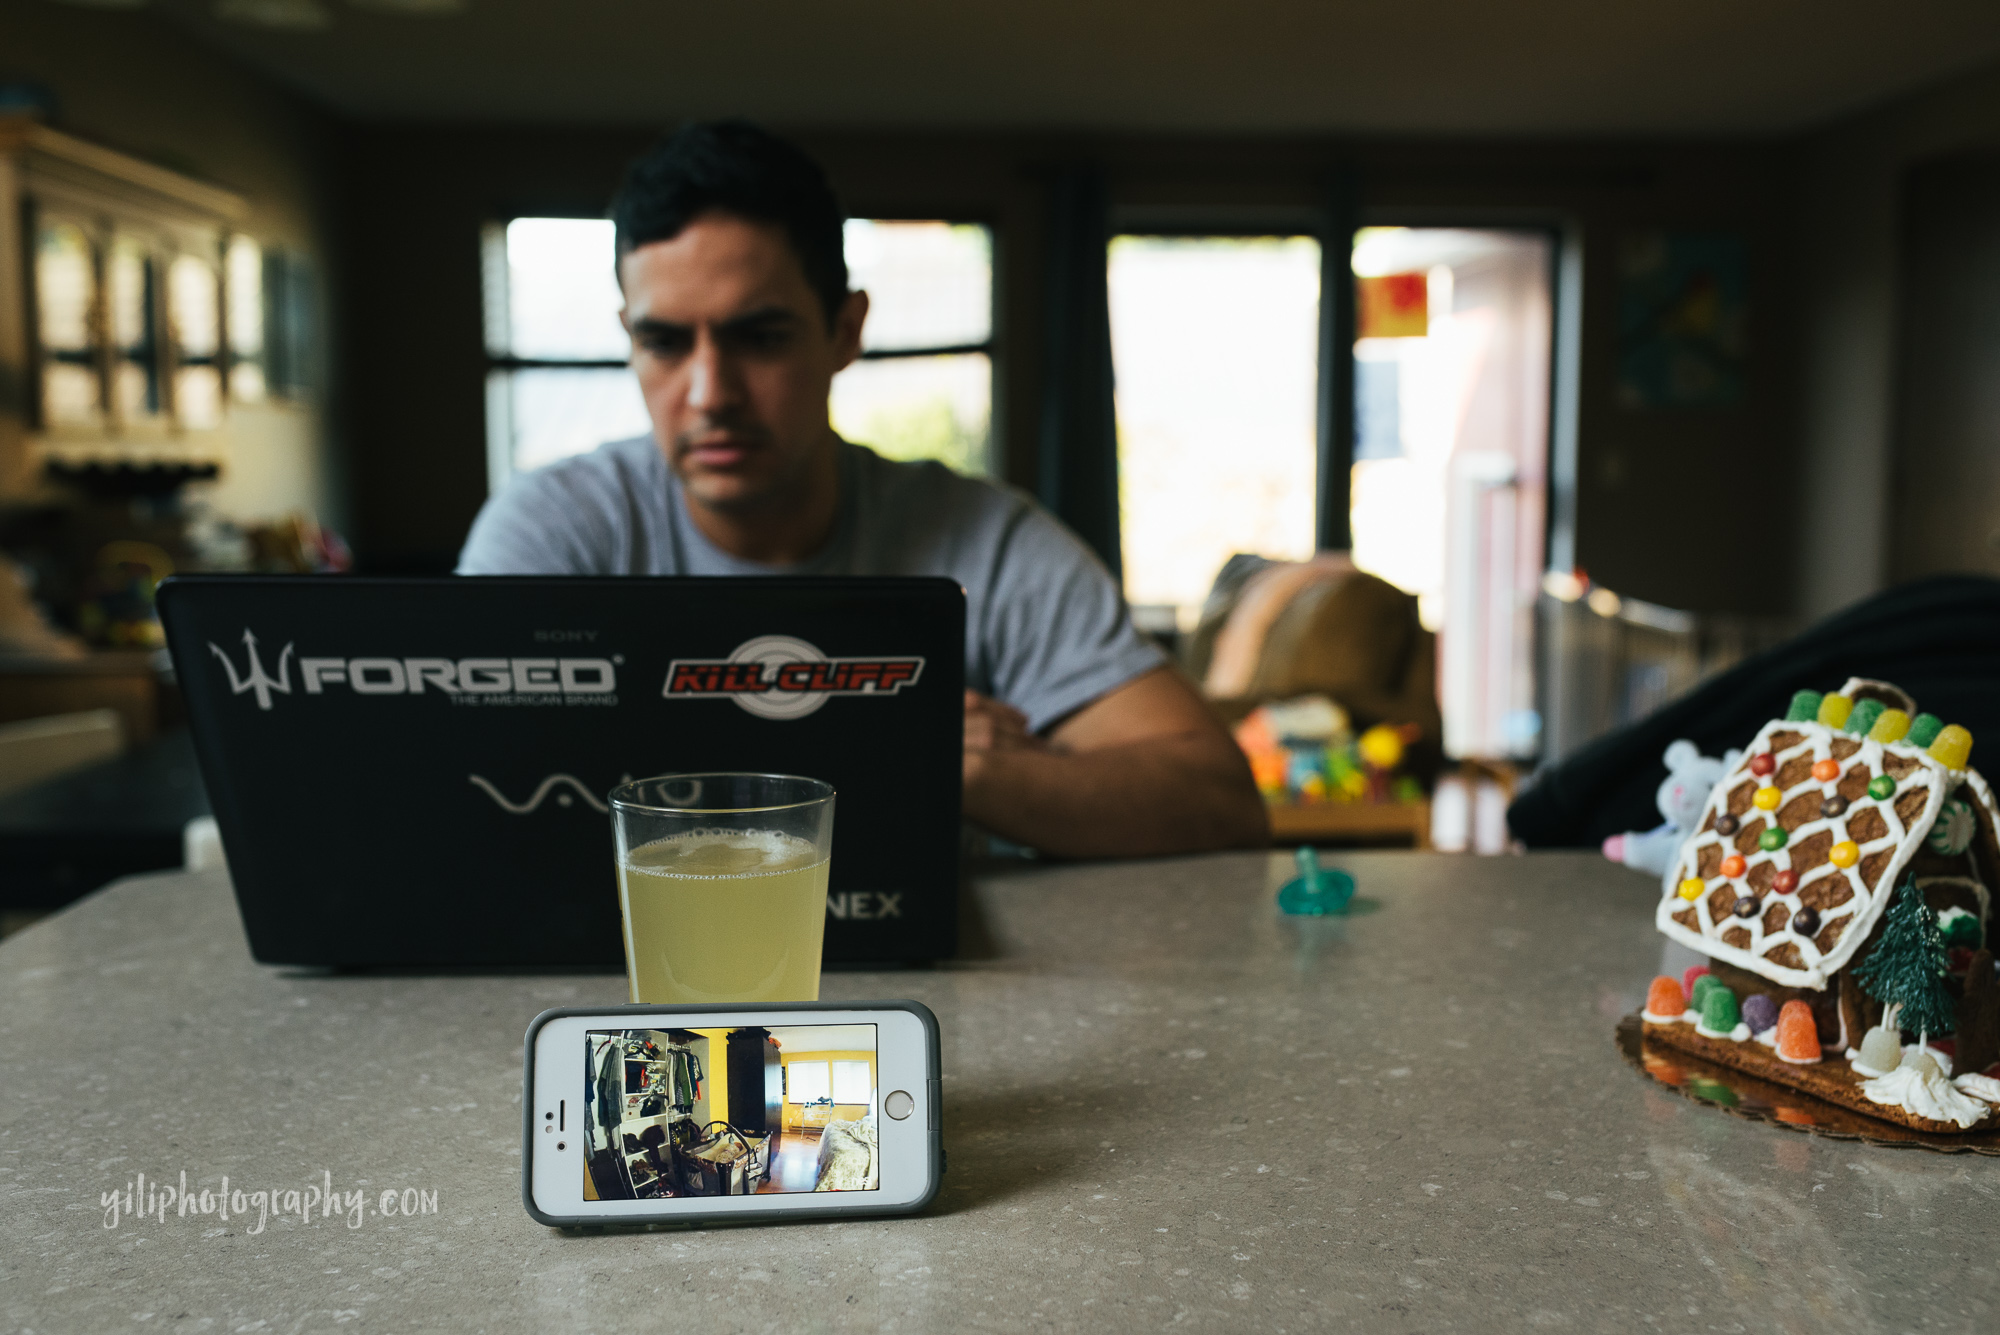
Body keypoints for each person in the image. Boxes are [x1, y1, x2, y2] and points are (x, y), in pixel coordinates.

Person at [459, 121, 1265, 858]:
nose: (709, 392)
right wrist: (865, 747)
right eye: (664, 342)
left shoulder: (986, 539)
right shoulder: (550, 533)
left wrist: (982, 774)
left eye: (760, 337)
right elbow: (451, 797)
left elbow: (1220, 798)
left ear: (845, 331)